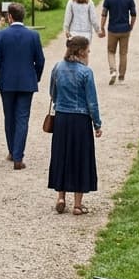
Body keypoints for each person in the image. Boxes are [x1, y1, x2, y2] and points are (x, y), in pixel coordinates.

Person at [47, 35, 103, 215]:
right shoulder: (86, 72)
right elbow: (92, 102)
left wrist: (61, 103)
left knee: (61, 155)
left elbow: (52, 93)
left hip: (62, 118)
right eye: (87, 50)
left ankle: (61, 197)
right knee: (80, 158)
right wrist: (97, 124)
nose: (89, 52)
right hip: (80, 120)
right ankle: (78, 205)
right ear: (81, 51)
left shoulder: (57, 67)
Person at [0, 2, 45, 169]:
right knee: (22, 118)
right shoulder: (33, 35)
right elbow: (40, 60)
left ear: (10, 17)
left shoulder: (1, 35)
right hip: (27, 82)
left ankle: (12, 151)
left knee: (9, 118)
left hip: (6, 82)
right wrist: (35, 77)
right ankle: (18, 157)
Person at [100, 0, 137, 84]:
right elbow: (134, 14)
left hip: (113, 29)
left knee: (111, 51)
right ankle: (121, 77)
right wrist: (131, 25)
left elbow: (104, 14)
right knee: (123, 53)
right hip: (125, 29)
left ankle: (113, 71)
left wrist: (102, 27)